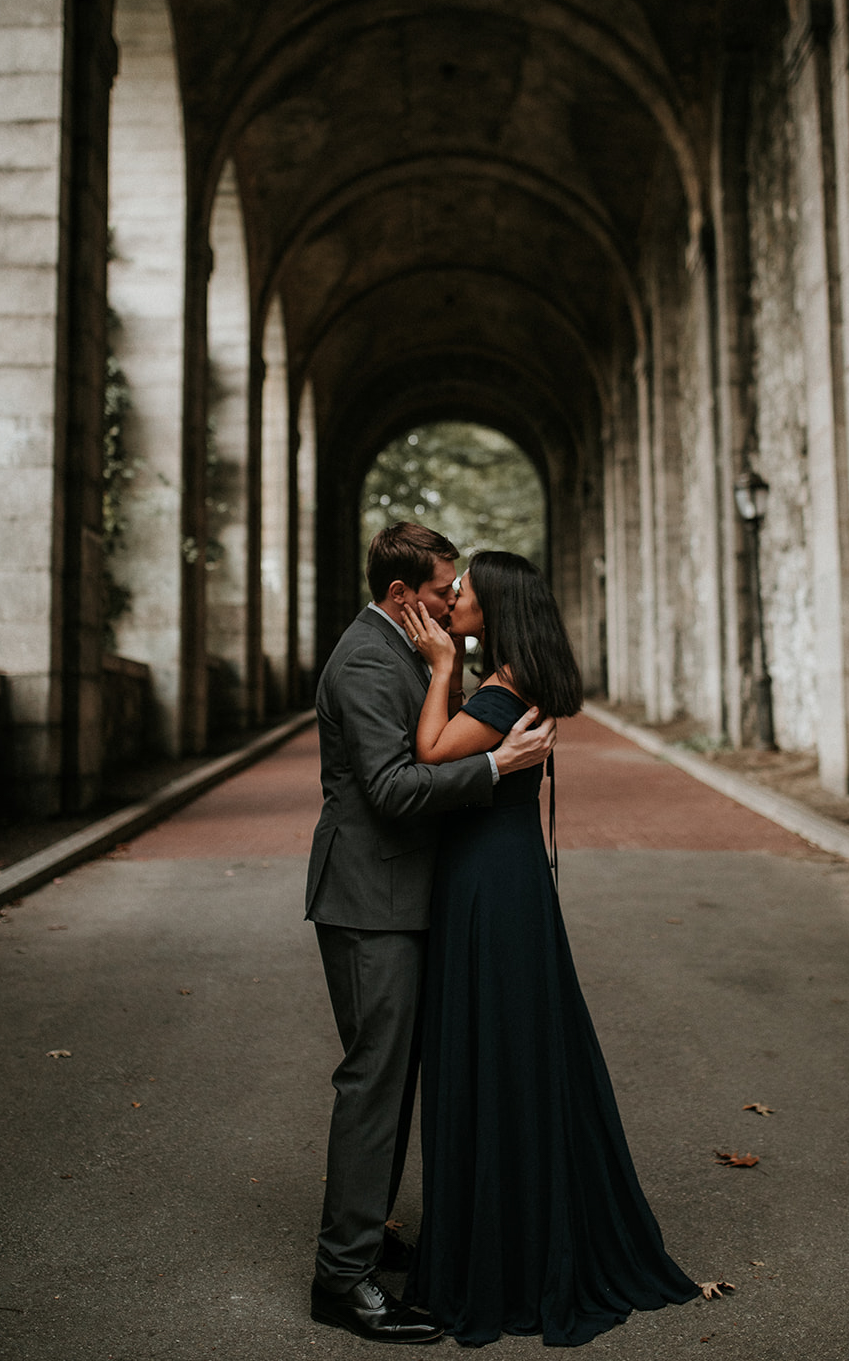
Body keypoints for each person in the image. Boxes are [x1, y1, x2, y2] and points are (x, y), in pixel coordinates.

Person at [401, 551, 701, 1348]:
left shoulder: (501, 690)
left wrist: (441, 666)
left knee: (494, 1051)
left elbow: (430, 754)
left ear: (493, 607)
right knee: (515, 1049)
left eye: (462, 591)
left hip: (489, 886)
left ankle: (507, 1252)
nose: (451, 597)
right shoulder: (514, 681)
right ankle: (520, 1228)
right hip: (507, 878)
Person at [305, 524, 557, 1345]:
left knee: (391, 1079)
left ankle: (366, 1228)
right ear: (403, 596)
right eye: (447, 590)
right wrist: (494, 769)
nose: (456, 603)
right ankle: (341, 1279)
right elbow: (388, 788)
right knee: (374, 1082)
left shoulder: (400, 648)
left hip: (399, 896)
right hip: (370, 899)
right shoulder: (367, 660)